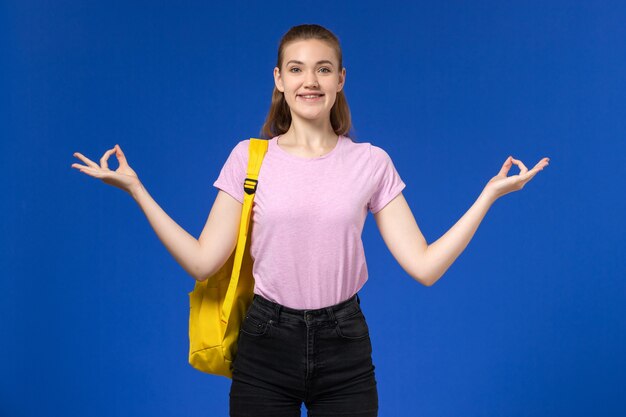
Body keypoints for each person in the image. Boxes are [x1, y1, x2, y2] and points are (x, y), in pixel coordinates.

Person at [71, 23, 549, 417]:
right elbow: (202, 260)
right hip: (264, 341)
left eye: (323, 69)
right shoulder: (249, 158)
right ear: (278, 80)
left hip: (345, 344)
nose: (310, 81)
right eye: (297, 69)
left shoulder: (371, 162)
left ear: (341, 79)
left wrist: (488, 196)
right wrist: (137, 190)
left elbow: (424, 267)